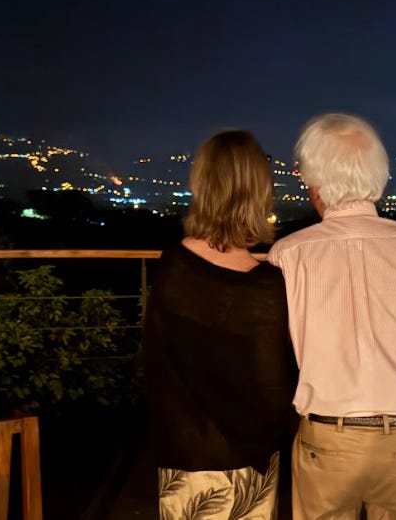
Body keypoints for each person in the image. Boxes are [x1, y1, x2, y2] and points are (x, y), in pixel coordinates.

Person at [268, 113, 396, 520]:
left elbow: (277, 350)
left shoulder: (288, 254)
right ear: (379, 173)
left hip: (328, 439)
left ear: (316, 181)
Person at [143, 130, 297, 520]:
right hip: (244, 466)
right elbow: (273, 395)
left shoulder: (172, 265)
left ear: (202, 184)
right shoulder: (265, 286)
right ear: (259, 194)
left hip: (180, 458)